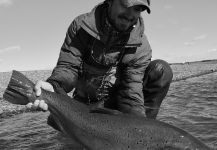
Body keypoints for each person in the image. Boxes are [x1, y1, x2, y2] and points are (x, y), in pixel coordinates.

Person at [27, 0, 173, 130]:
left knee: (161, 70)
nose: (130, 14)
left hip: (116, 102)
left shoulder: (142, 46)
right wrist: (53, 86)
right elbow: (68, 67)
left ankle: (147, 131)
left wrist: (139, 129)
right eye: (125, 4)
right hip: (85, 105)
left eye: (138, 9)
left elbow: (131, 91)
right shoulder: (80, 26)